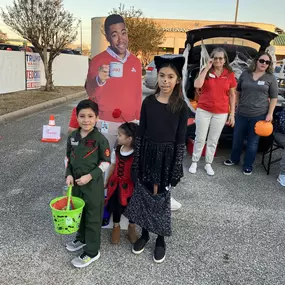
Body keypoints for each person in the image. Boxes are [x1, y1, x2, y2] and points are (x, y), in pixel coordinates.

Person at [124, 55, 188, 263]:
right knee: (144, 194)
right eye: (162, 76)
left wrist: (177, 166)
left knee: (161, 197)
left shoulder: (180, 106)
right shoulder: (148, 102)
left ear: (177, 80)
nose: (165, 81)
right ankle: (144, 234)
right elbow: (141, 133)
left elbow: (180, 140)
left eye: (171, 77)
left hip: (167, 158)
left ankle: (160, 239)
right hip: (147, 155)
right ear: (157, 77)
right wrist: (136, 161)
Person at [68, 14, 142, 153]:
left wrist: (138, 120)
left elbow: (137, 94)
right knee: (104, 163)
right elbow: (90, 91)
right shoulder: (97, 60)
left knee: (125, 165)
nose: (121, 39)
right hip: (106, 124)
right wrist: (99, 80)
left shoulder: (136, 62)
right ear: (107, 38)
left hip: (130, 124)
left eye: (123, 33)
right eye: (114, 35)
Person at [65, 99, 111, 268]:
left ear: (97, 118)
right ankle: (82, 238)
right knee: (79, 213)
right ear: (76, 117)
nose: (86, 120)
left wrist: (90, 177)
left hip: (92, 186)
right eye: (82, 116)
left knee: (92, 216)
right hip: (75, 184)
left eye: (90, 116)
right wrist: (68, 175)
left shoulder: (100, 139)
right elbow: (68, 158)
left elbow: (106, 162)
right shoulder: (73, 136)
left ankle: (92, 251)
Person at [224, 52, 278, 175]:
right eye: (262, 61)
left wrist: (270, 113)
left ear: (269, 64)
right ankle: (234, 159)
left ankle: (248, 165)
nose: (264, 63)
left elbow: (274, 98)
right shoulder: (245, 74)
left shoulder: (270, 78)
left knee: (253, 142)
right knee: (237, 139)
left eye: (267, 62)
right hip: (241, 113)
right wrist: (235, 106)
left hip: (259, 115)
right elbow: (238, 91)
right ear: (256, 61)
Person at [188, 47, 236, 176]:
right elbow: (197, 85)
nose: (218, 60)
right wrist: (206, 68)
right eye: (215, 58)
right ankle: (195, 161)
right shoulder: (206, 71)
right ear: (211, 59)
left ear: (225, 60)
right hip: (204, 110)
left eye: (221, 58)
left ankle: (208, 163)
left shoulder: (229, 74)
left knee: (213, 139)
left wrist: (232, 113)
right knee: (200, 137)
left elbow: (232, 95)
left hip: (221, 112)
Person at [105, 122, 138, 244]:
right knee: (116, 206)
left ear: (129, 139)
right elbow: (113, 166)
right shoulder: (117, 150)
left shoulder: (136, 154)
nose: (117, 137)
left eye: (119, 135)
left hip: (130, 186)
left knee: (132, 207)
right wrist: (107, 180)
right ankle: (116, 227)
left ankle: (132, 227)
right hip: (115, 185)